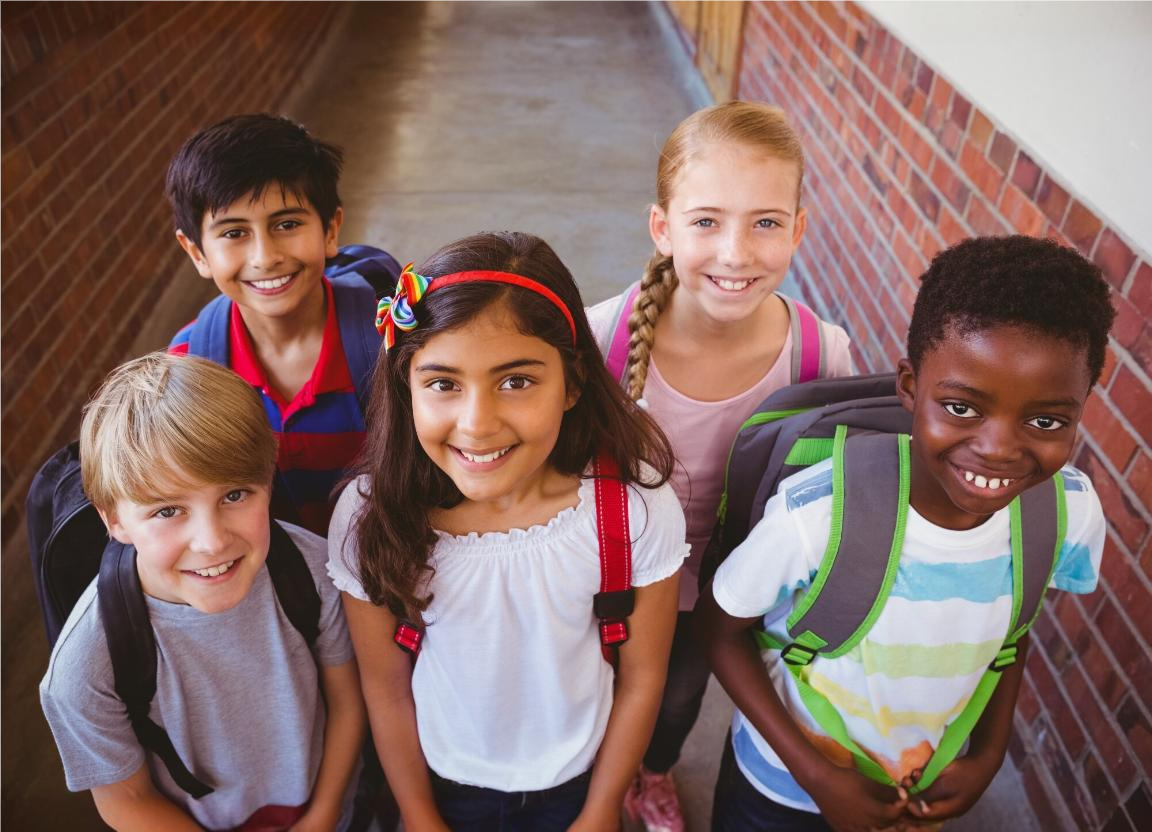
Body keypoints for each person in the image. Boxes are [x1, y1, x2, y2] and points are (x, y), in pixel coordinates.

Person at [695, 235, 1115, 831]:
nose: (997, 449)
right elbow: (719, 634)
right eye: (963, 408)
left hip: (918, 789)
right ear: (911, 386)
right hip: (782, 788)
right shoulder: (820, 514)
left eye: (1045, 420)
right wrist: (817, 778)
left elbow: (1009, 630)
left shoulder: (1065, 513)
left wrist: (988, 756)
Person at [327, 231, 688, 831]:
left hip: (582, 782)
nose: (478, 423)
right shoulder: (373, 517)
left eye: (516, 381)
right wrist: (418, 815)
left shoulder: (633, 507)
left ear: (572, 383)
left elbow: (643, 676)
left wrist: (602, 810)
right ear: (405, 385)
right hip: (441, 785)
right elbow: (386, 689)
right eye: (443, 383)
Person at [586, 100, 854, 831]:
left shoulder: (818, 353)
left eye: (766, 222)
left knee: (676, 699)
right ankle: (586, 780)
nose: (737, 252)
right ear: (662, 227)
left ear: (798, 230)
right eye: (707, 221)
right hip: (606, 577)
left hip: (722, 592)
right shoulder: (601, 337)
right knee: (590, 692)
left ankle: (654, 772)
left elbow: (829, 488)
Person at [39, 352, 365, 831]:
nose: (212, 542)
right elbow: (127, 799)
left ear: (267, 481)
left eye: (234, 495)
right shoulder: (86, 666)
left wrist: (323, 814)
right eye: (168, 511)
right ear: (113, 519)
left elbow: (348, 703)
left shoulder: (315, 571)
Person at [166, 113, 390, 535]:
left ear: (330, 230)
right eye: (234, 233)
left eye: (287, 225)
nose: (265, 256)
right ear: (196, 252)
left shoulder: (390, 337)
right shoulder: (188, 368)